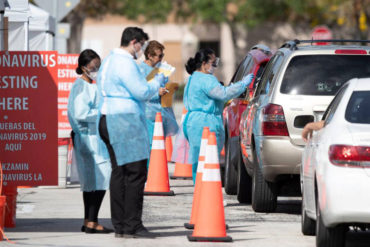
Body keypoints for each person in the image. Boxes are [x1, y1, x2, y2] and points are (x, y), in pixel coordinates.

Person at [97, 27, 167, 239]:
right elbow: (141, 91)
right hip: (125, 119)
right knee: (135, 173)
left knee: (119, 172)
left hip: (107, 117)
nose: (142, 50)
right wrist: (158, 81)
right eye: (142, 45)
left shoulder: (109, 59)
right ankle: (132, 225)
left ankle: (120, 226)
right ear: (134, 42)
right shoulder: (125, 62)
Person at [183, 48, 254, 182]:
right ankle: (207, 195)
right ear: (204, 64)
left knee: (199, 161)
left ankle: (200, 193)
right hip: (206, 123)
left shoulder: (194, 77)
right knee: (208, 160)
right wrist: (242, 85)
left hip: (193, 122)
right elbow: (223, 94)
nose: (215, 66)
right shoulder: (207, 79)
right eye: (213, 63)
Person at [67, 49, 112, 234]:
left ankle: (90, 220)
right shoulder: (80, 87)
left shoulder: (92, 85)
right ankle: (91, 220)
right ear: (84, 67)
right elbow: (80, 113)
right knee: (98, 179)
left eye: (99, 67)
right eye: (94, 67)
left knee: (95, 181)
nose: (96, 70)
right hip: (88, 138)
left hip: (94, 138)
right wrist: (101, 113)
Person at [138, 40, 179, 165]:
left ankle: (155, 172)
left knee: (159, 145)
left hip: (160, 113)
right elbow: (140, 92)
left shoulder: (161, 69)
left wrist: (169, 89)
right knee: (150, 145)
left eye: (163, 55)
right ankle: (149, 174)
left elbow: (164, 86)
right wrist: (157, 93)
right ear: (149, 56)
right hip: (146, 114)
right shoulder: (140, 70)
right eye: (159, 56)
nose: (161, 59)